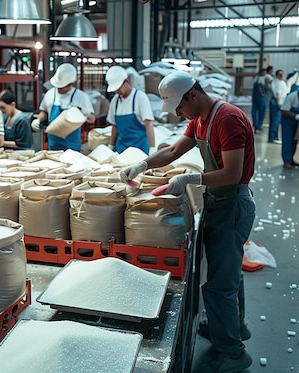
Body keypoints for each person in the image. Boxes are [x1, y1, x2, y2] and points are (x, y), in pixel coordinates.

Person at [120, 71, 255, 372]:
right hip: (218, 201)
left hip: (233, 203)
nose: (178, 114)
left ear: (193, 95)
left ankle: (233, 352)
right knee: (228, 271)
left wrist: (191, 178)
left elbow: (233, 173)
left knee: (220, 284)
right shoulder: (199, 120)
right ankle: (236, 326)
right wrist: (142, 164)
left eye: (179, 107)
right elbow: (172, 151)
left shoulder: (227, 119)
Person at [32, 63, 95, 151]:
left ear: (70, 84)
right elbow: (44, 111)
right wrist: (38, 119)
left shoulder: (80, 97)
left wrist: (85, 113)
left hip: (72, 146)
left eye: (62, 87)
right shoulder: (50, 94)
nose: (59, 88)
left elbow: (92, 119)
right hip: (53, 144)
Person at [104, 65, 155, 154]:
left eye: (119, 88)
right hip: (121, 149)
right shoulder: (115, 101)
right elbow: (114, 126)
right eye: (115, 90)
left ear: (127, 81)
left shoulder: (140, 97)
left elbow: (149, 124)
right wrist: (111, 146)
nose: (117, 92)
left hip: (140, 149)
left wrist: (152, 148)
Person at [268, 69, 286, 144]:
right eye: (280, 75)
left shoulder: (274, 81)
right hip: (277, 102)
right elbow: (278, 94)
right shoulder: (281, 83)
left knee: (273, 120)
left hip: (273, 102)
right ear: (277, 75)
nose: (282, 76)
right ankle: (273, 137)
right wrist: (279, 104)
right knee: (276, 121)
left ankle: (271, 137)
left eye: (282, 74)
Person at [251, 68, 268, 134]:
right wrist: (262, 94)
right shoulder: (262, 79)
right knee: (262, 112)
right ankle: (258, 126)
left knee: (254, 111)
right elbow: (259, 87)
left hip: (255, 97)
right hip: (261, 98)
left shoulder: (256, 78)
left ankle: (255, 124)